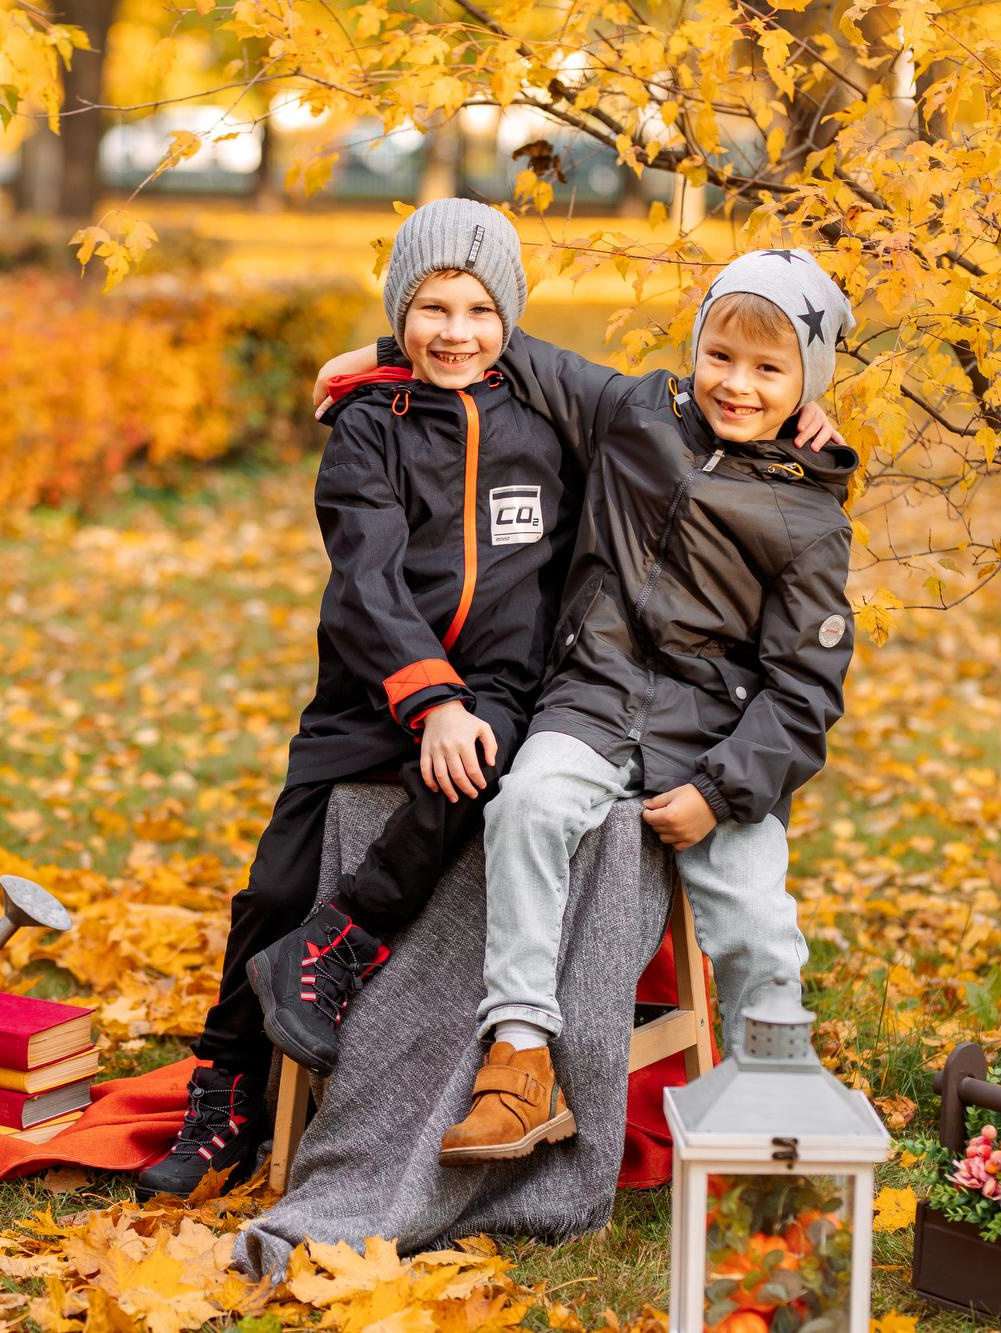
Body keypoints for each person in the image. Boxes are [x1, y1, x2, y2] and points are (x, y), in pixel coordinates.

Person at [135, 198, 580, 1199]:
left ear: (508, 316)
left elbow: (665, 413)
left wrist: (801, 414)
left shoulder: (547, 425)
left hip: (502, 691)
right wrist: (425, 698)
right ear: (399, 311)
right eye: (429, 308)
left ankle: (343, 943)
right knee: (274, 884)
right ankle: (226, 1092)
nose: (454, 331)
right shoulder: (364, 430)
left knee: (476, 766)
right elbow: (365, 580)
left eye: (476, 308)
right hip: (370, 689)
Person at [429, 248, 861, 1165]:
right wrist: (376, 354)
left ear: (807, 385)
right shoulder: (635, 413)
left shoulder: (810, 522)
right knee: (528, 804)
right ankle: (520, 1056)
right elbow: (507, 346)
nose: (735, 385)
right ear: (695, 346)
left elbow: (803, 691)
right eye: (720, 356)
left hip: (717, 743)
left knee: (756, 926)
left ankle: (770, 1114)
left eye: (768, 369)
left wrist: (722, 792)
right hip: (592, 697)